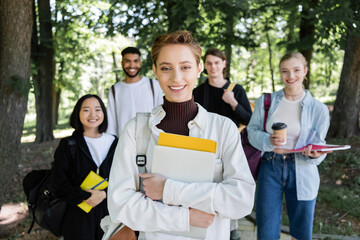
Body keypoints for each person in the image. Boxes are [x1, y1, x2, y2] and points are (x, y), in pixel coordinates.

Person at [107, 31, 256, 240]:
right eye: (166, 68)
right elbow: (120, 204)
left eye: (185, 67)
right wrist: (185, 217)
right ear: (155, 71)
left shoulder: (223, 129)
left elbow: (241, 200)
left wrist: (168, 190)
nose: (176, 78)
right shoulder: (135, 129)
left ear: (198, 69)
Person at [247, 52, 331, 240]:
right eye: (285, 71)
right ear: (280, 73)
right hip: (270, 166)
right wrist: (267, 140)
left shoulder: (319, 109)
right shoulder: (266, 102)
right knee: (266, 231)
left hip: (302, 169)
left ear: (305, 71)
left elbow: (320, 145)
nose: (290, 76)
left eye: (296, 70)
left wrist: (315, 154)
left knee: (301, 233)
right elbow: (251, 132)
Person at [51, 94, 118, 240]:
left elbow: (124, 177)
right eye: (86, 110)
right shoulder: (68, 145)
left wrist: (104, 193)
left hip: (111, 216)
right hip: (78, 218)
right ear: (78, 113)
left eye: (98, 109)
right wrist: (85, 196)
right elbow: (58, 184)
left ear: (104, 114)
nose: (93, 114)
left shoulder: (115, 142)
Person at [107, 46, 163, 137]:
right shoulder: (115, 90)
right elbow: (111, 124)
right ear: (122, 63)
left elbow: (161, 116)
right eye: (127, 61)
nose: (132, 65)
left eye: (135, 61)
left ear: (140, 63)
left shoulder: (153, 85)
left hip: (150, 142)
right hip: (123, 143)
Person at [193, 48, 252, 128]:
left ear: (224, 63)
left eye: (216, 63)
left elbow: (249, 120)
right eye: (209, 63)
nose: (213, 66)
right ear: (205, 66)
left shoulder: (237, 90)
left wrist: (233, 103)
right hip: (205, 138)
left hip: (230, 138)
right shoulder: (197, 92)